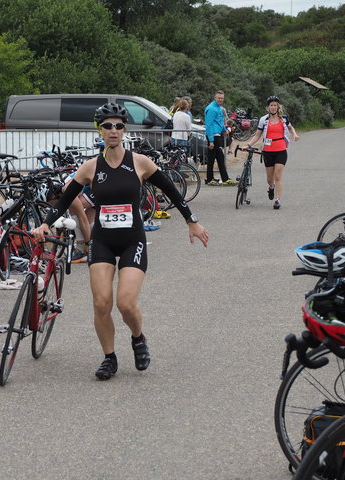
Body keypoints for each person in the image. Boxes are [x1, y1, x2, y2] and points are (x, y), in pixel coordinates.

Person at [31, 103, 209, 380]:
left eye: (118, 126)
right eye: (107, 126)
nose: (113, 131)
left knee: (125, 303)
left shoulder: (140, 162)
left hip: (131, 240)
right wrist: (44, 222)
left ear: (124, 129)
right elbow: (66, 200)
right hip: (102, 240)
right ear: (99, 130)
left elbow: (172, 191)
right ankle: (109, 358)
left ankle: (138, 337)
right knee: (102, 303)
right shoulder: (90, 167)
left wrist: (191, 220)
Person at [243, 95, 300, 210]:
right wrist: (248, 145)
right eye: (271, 105)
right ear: (268, 107)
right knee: (270, 179)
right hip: (268, 151)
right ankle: (271, 187)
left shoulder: (283, 118)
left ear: (278, 106)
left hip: (281, 150)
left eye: (275, 105)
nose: (273, 107)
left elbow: (290, 127)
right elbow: (257, 135)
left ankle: (277, 200)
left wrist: (294, 134)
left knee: (277, 176)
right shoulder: (264, 120)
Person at [204, 90, 235, 186]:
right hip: (213, 136)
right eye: (219, 98)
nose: (220, 100)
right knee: (212, 159)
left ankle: (224, 178)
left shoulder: (218, 108)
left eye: (222, 98)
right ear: (215, 98)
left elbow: (219, 122)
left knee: (220, 158)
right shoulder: (212, 109)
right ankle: (210, 179)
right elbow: (208, 125)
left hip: (217, 135)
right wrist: (211, 141)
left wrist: (224, 131)